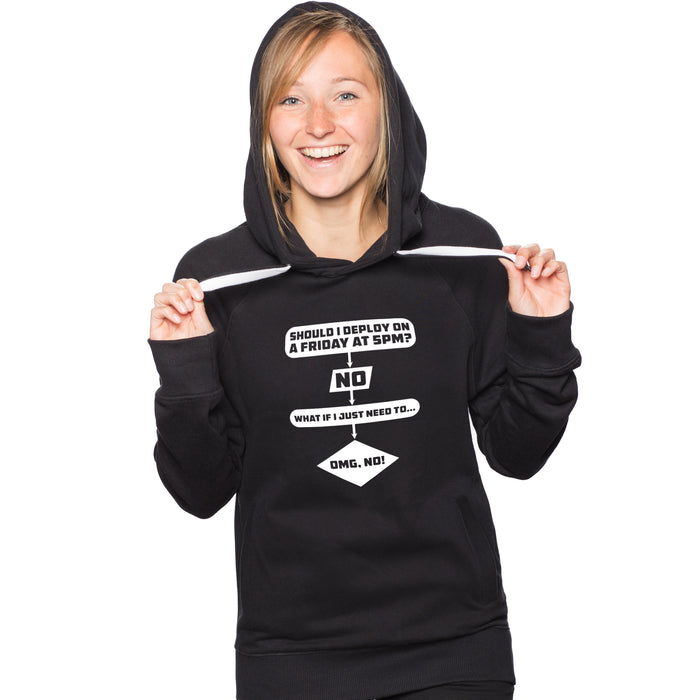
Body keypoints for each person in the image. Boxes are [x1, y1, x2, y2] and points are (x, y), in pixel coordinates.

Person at [147, 3, 581, 699]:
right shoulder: (218, 280)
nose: (319, 125)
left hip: (453, 650)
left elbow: (518, 454)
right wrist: (186, 378)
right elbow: (200, 492)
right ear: (264, 122)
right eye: (291, 99)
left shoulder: (462, 255)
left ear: (389, 110)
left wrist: (539, 334)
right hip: (290, 658)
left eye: (345, 95)